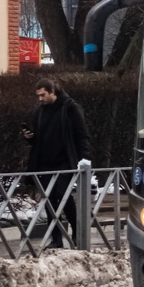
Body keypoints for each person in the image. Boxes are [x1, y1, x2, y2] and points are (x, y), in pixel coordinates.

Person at [23, 78, 93, 249]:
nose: (40, 99)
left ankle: (77, 232)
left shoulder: (70, 108)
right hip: (45, 163)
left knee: (63, 195)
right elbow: (40, 139)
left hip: (65, 162)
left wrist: (84, 160)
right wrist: (30, 137)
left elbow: (81, 135)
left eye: (43, 95)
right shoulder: (40, 111)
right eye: (38, 95)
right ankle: (56, 239)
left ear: (52, 91)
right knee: (49, 201)